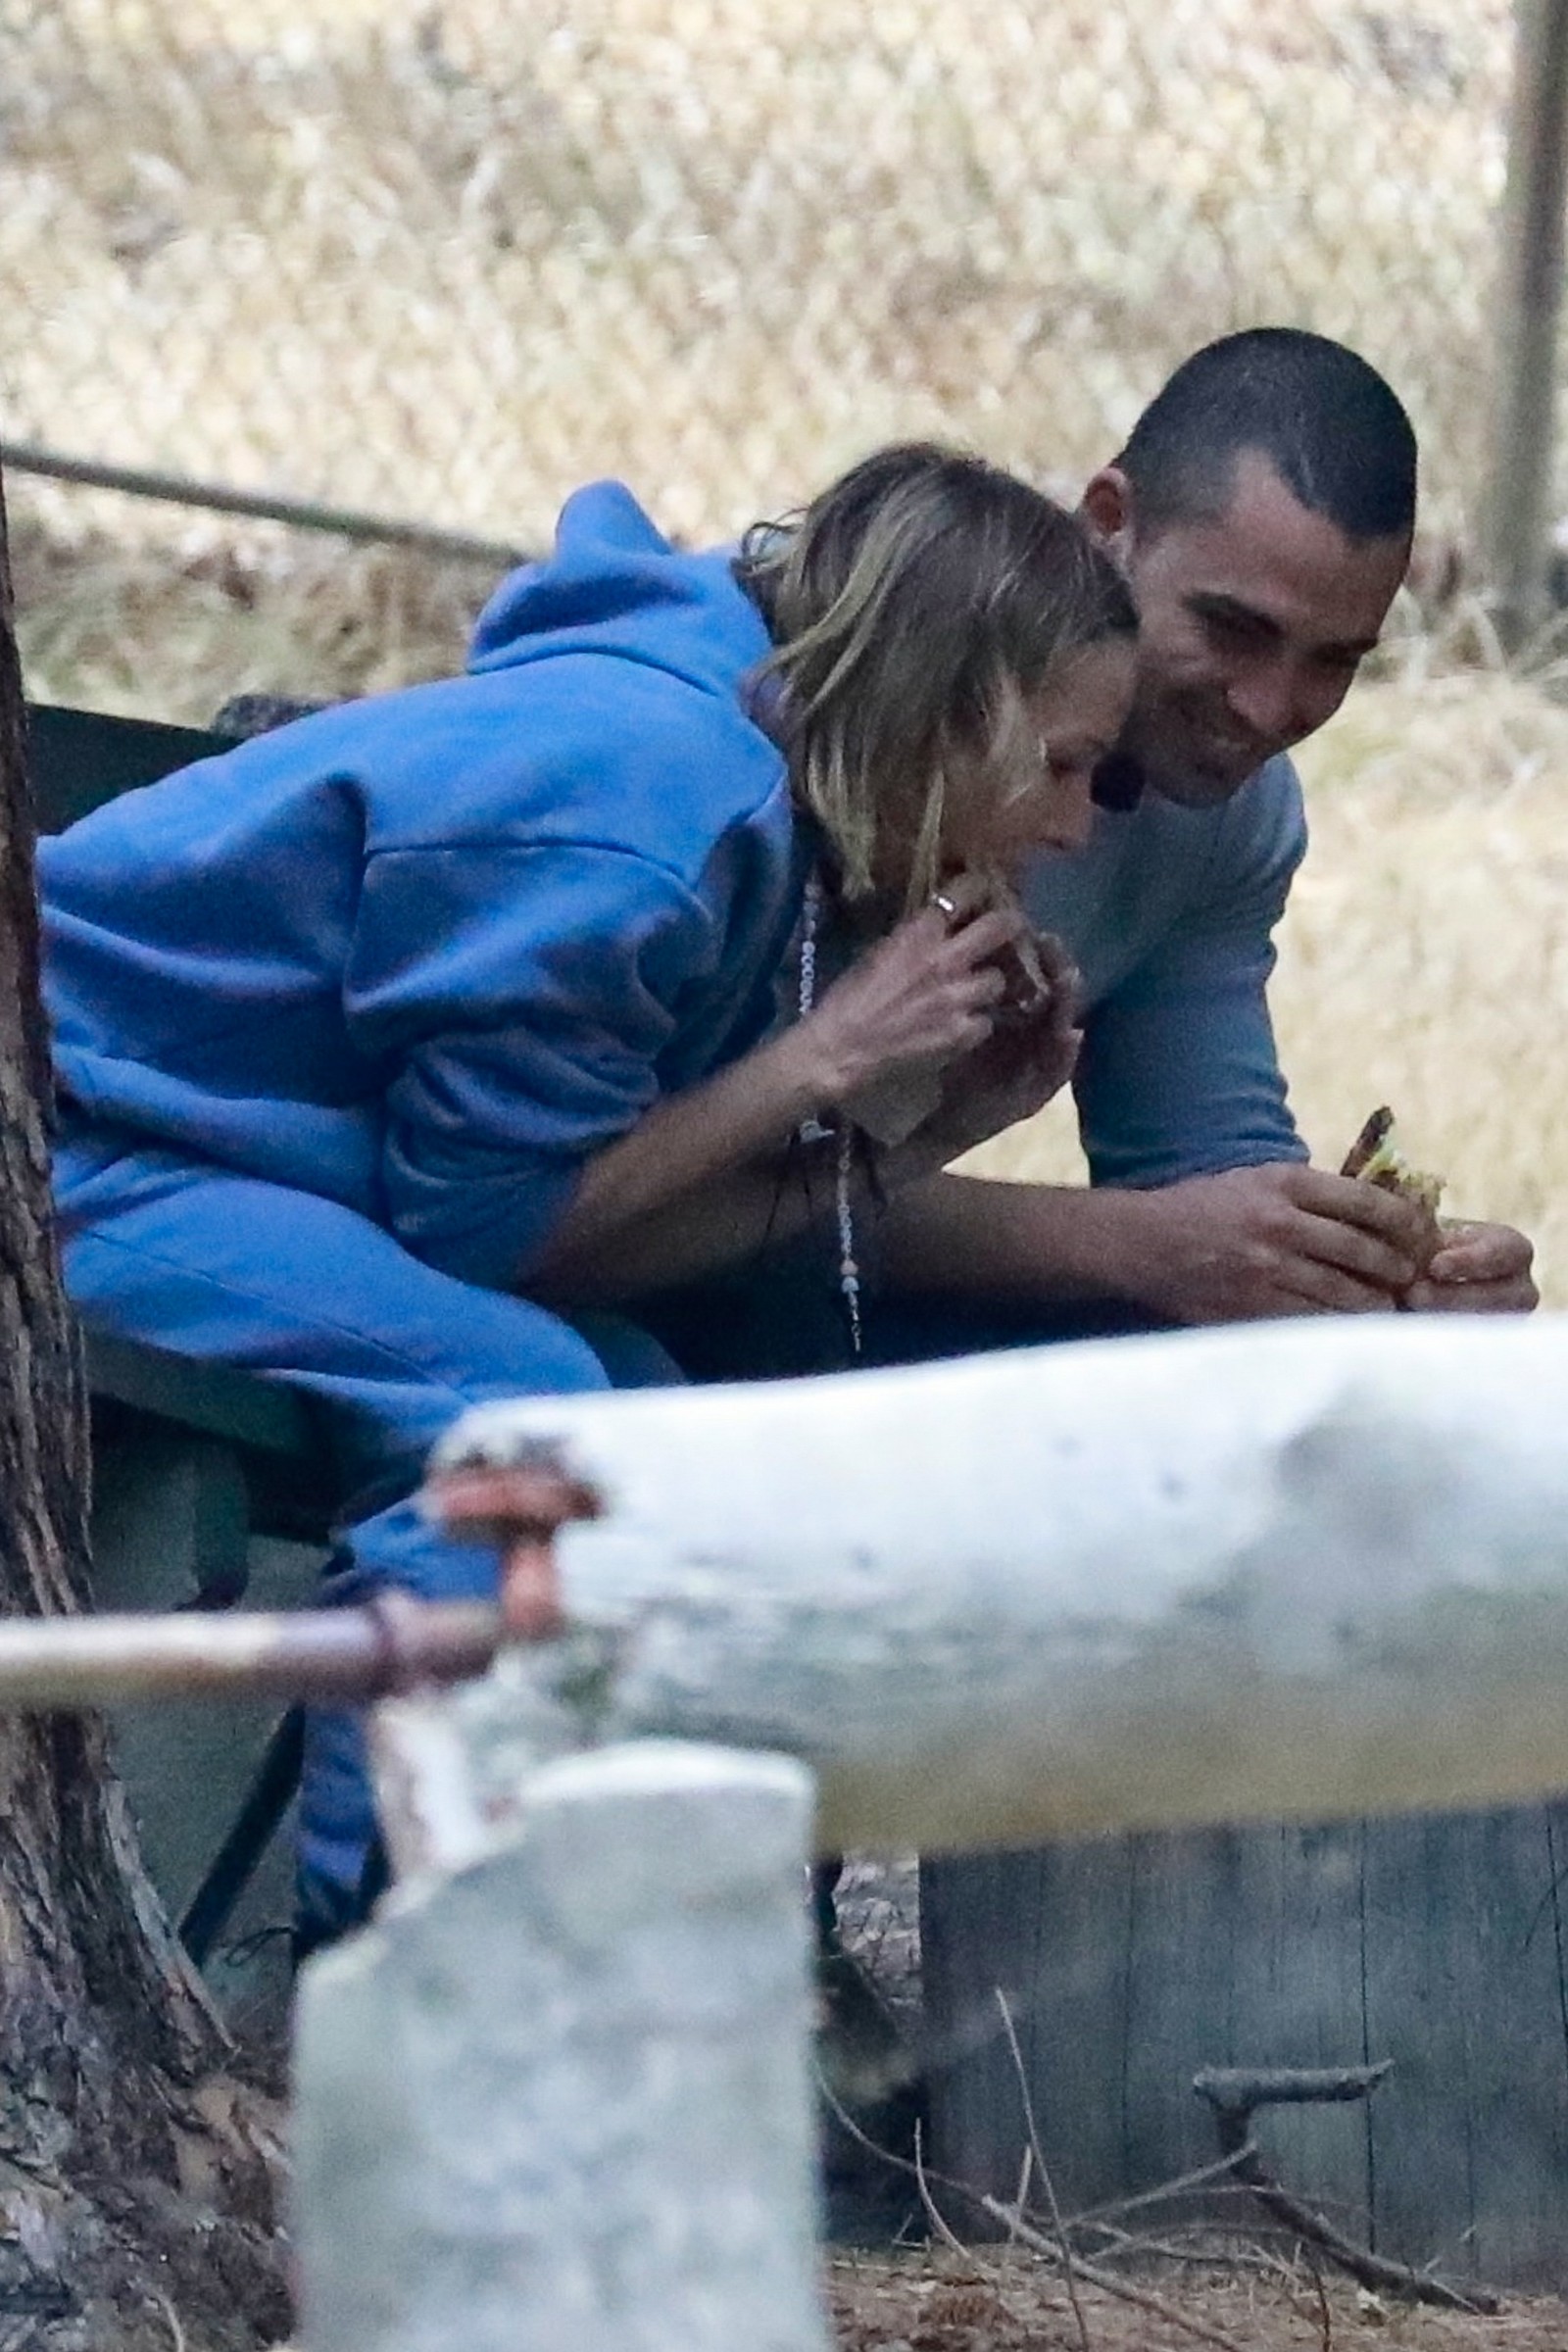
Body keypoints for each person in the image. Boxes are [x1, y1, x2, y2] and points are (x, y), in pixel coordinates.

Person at [39, 443, 1138, 1946]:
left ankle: (588, 1951)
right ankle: (391, 1988)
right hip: (64, 1134)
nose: (1075, 827)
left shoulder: (764, 789)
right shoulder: (646, 807)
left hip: (216, 1152)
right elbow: (487, 1238)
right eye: (1062, 765)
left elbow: (584, 1238)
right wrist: (820, 1063)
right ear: (942, 707)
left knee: (645, 1433)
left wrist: (908, 1137)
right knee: (516, 1424)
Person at [648, 327, 1535, 1395]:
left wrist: (1360, 1277)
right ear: (1109, 522)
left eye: (1334, 662)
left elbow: (1200, 1182)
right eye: (1233, 629)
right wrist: (1128, 1246)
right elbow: (585, 1209)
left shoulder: (1227, 815)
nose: (1270, 711)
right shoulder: (766, 724)